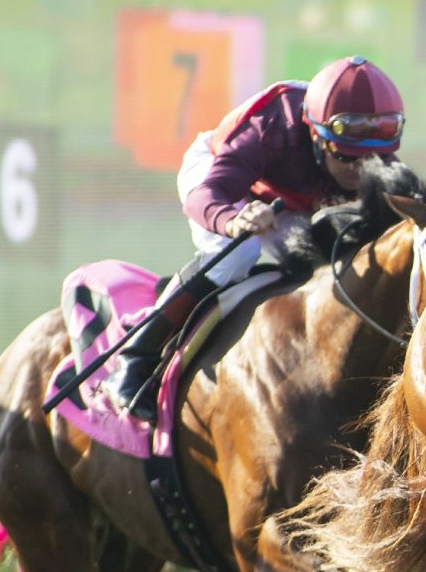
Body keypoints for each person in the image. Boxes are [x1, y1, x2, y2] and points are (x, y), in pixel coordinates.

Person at [101, 56, 405, 413]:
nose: (360, 171)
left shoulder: (371, 154)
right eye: (348, 157)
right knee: (235, 256)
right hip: (221, 176)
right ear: (316, 135)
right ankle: (136, 357)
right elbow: (205, 197)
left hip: (288, 199)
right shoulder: (268, 129)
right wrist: (234, 221)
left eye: (373, 160)